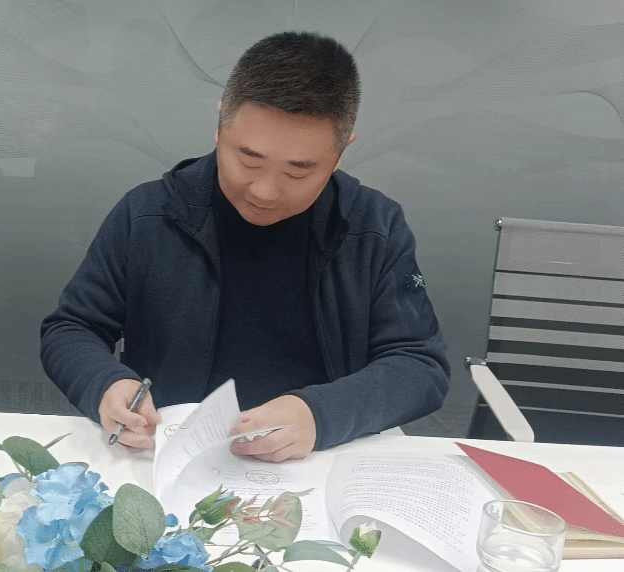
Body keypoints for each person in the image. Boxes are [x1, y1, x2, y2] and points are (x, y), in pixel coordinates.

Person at [40, 31, 448, 461]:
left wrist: (321, 414)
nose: (265, 192)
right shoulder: (147, 216)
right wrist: (105, 383)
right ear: (220, 126)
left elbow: (419, 365)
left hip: (316, 459)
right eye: (248, 160)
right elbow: (73, 328)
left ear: (341, 152)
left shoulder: (374, 228)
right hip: (172, 457)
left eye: (297, 172)